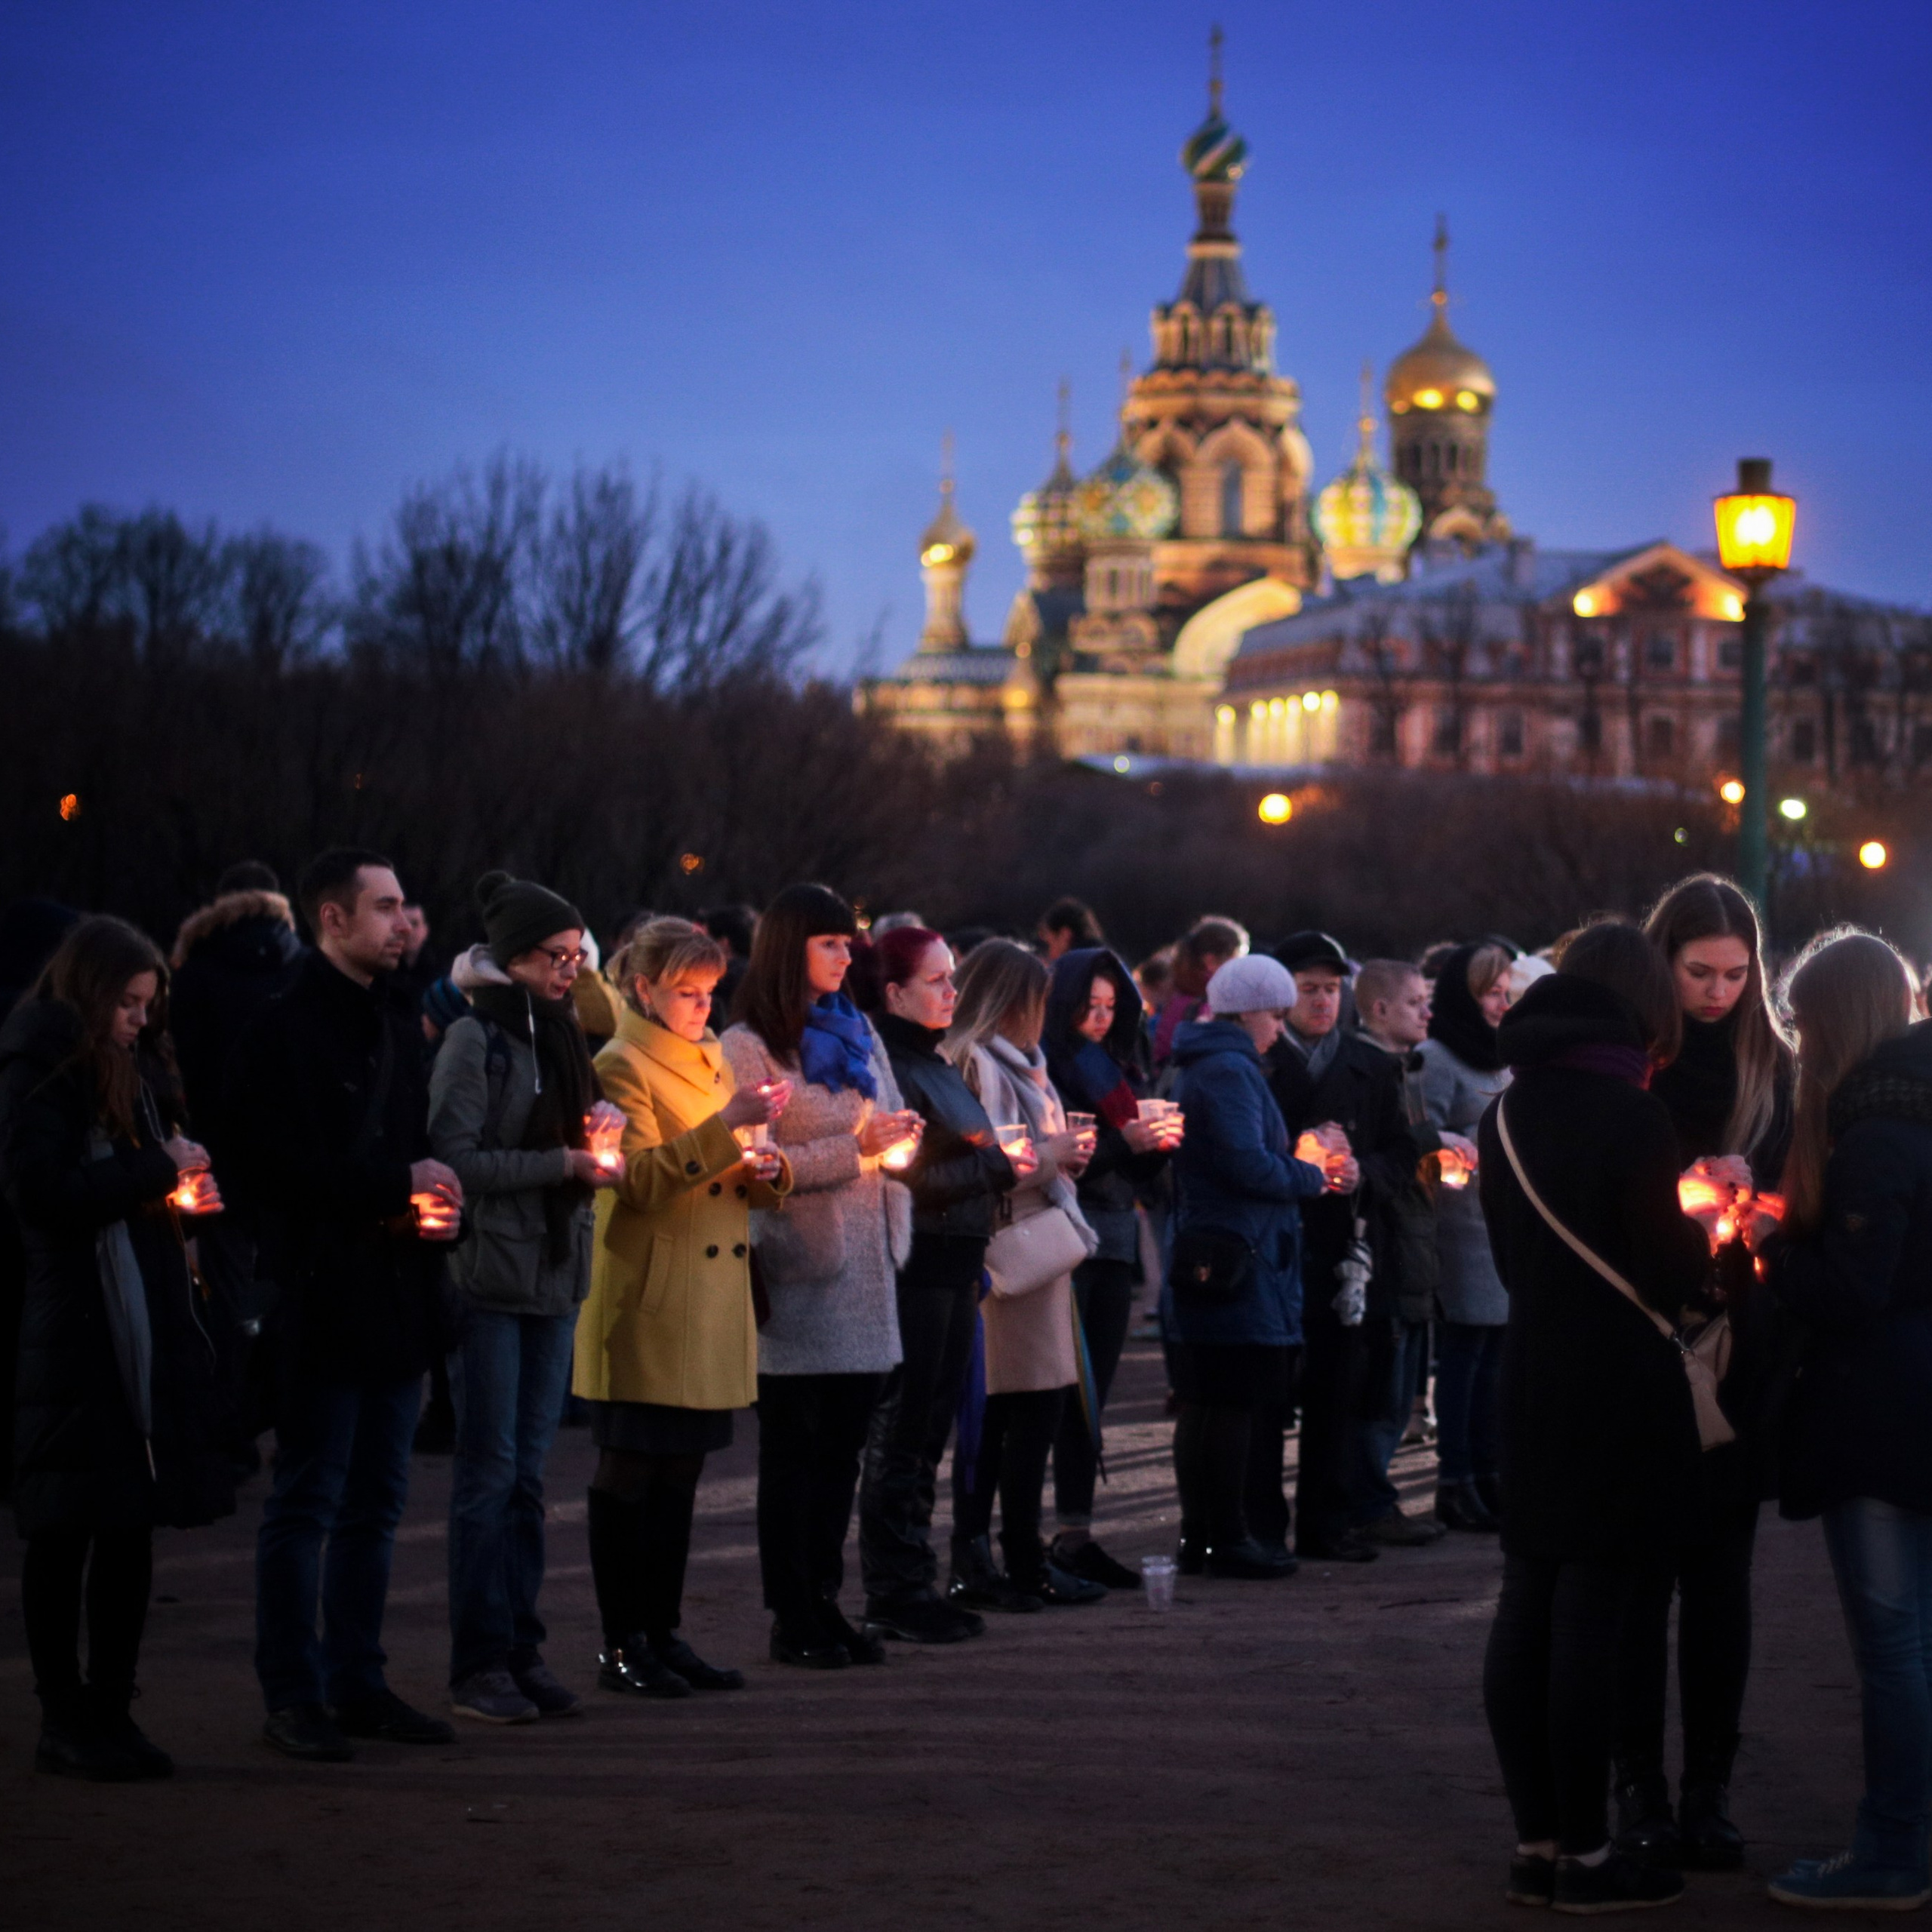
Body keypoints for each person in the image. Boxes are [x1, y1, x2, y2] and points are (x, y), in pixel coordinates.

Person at [1478, 921, 1712, 1914]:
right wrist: (1710, 1232)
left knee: (1527, 1607)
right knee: (1595, 1622)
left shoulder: (1506, 1111)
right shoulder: (1631, 1115)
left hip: (1529, 1372)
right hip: (1620, 1385)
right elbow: (1672, 1272)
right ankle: (1587, 1852)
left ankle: (1537, 1842)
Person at [229, 848, 465, 1762]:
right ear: (332, 918)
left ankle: (357, 1680)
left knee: (377, 1502)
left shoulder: (396, 1018)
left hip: (396, 1296)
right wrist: (395, 1182)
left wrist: (430, 1208)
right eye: (386, 907)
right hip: (322, 1297)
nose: (405, 922)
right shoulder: (282, 1026)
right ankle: (293, 1692)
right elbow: (270, 1171)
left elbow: (409, 1145)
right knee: (309, 1499)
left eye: (405, 905)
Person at [1, 916, 235, 1780]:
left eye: (148, 1005)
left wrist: (180, 1187)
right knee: (67, 1529)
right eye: (130, 1004)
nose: (141, 1019)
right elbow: (41, 1193)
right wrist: (156, 1169)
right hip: (77, 1325)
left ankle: (112, 1706)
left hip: (139, 1311)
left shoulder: (129, 1069)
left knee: (131, 1524)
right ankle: (64, 1716)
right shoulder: (42, 1066)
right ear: (93, 993)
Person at [1612, 876, 1796, 1867]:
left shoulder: (1776, 1064)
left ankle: (1709, 1788)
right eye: (1699, 973)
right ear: (1662, 962)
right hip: (1644, 1343)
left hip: (1740, 1344)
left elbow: (1801, 1198)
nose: (1720, 991)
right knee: (1644, 1578)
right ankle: (1637, 1780)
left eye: (1737, 973)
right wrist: (1685, 1191)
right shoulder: (1633, 1064)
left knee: (1721, 1582)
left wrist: (1763, 1208)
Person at [1760, 931, 1932, 1911]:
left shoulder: (1873, 1134)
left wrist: (1774, 1248)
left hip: (1880, 1408)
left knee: (1893, 1652)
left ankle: (1893, 1848)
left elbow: (1852, 1292)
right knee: (1919, 1644)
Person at [573, 918, 788, 1698]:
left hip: (709, 1292)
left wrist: (768, 1164)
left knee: (682, 1473)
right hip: (651, 1291)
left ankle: (662, 1632)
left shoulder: (712, 1060)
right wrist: (727, 1132)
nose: (702, 1008)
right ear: (642, 987)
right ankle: (621, 1641)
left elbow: (729, 1167)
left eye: (707, 993)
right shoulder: (620, 1061)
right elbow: (634, 1180)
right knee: (630, 1468)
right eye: (685, 993)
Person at [428, 872, 618, 1724]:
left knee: (530, 1478)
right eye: (556, 955)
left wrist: (599, 1137)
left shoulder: (568, 1035)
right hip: (489, 1278)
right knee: (488, 1474)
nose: (570, 970)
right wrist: (562, 1165)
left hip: (554, 1274)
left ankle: (523, 1647)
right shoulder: (477, 1039)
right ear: (513, 958)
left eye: (578, 956)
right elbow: (455, 1159)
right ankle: (478, 1662)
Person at [721, 883, 918, 1670]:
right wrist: (860, 1151)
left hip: (865, 1264)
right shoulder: (747, 1043)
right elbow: (756, 1166)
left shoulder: (857, 1025)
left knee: (842, 1450)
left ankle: (827, 1602)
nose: (847, 955)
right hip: (798, 1265)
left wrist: (898, 1134)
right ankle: (790, 1610)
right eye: (830, 943)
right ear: (789, 946)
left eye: (849, 942)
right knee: (793, 1451)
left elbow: (885, 1116)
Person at [859, 925, 1026, 1641]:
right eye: (937, 980)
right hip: (917, 1262)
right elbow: (905, 1171)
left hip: (958, 1261)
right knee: (905, 1429)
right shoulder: (888, 1065)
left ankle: (912, 1580)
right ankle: (896, 1588)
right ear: (894, 991)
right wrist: (989, 1167)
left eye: (953, 978)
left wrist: (991, 1161)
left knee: (930, 1431)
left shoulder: (935, 1060)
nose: (953, 993)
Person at [946, 941, 1104, 1611]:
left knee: (1033, 1409)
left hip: (1042, 1246)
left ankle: (1015, 1553)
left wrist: (1062, 1160)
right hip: (1009, 1250)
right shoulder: (978, 1062)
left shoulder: (1027, 1064)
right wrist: (1051, 1156)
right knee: (1009, 1414)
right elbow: (987, 1160)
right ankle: (997, 1557)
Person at [1266, 931, 1429, 1561]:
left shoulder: (1368, 1065)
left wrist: (1365, 1171)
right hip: (1279, 1241)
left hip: (1348, 1248)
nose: (1324, 1002)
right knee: (1272, 1394)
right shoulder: (1263, 1062)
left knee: (1338, 1391)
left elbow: (1400, 1148)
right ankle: (1259, 1523)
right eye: (1310, 990)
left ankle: (1326, 1522)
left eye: (1332, 990)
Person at [1164, 953, 1327, 1579]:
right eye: (1277, 1015)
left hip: (1218, 1249)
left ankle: (1201, 1536)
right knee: (1229, 1400)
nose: (1280, 1029)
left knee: (1208, 1400)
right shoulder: (1230, 1069)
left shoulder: (1208, 1063)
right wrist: (1312, 1176)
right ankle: (1225, 1537)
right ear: (1250, 1012)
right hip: (1238, 1256)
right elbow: (1246, 1163)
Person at [167, 869, 305, 1473]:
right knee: (291, 1295)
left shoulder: (194, 973)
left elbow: (181, 1073)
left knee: (222, 1298)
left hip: (216, 1158)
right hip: (292, 1162)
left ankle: (226, 1431)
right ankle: (289, 1422)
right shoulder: (302, 971)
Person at [1044, 946, 1173, 1588]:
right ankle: (1045, 1537)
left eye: (1110, 1007)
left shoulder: (1119, 1067)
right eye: (1088, 1006)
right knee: (1061, 1391)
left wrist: (1156, 1146)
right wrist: (1125, 1144)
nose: (1098, 1018)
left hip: (1116, 1232)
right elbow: (1064, 1160)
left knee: (1096, 1391)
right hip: (1068, 1235)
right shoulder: (1051, 1064)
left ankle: (1076, 1531)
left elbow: (1129, 1164)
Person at [1352, 959, 1451, 1546]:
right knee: (1383, 1395)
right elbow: (1380, 1164)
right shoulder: (1369, 1074)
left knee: (1398, 1385)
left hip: (1411, 1249)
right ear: (1381, 1009)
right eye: (1415, 1002)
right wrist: (1434, 1143)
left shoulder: (1402, 1070)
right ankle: (1368, 1502)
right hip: (1387, 1255)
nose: (1427, 1012)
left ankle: (1372, 1498)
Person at [1420, 942, 1515, 1532]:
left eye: (1508, 991)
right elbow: (1417, 1141)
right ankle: (1455, 1479)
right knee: (1463, 1358)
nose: (1503, 1003)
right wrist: (1452, 1146)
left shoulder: (1503, 1056)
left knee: (1494, 1361)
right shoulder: (1435, 1057)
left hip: (1499, 1226)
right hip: (1457, 1228)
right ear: (1465, 993)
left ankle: (1488, 1473)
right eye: (1491, 992)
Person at [1152, 917, 1249, 1070]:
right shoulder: (1207, 1006)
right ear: (1211, 962)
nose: (1241, 970)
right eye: (1237, 961)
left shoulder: (1177, 995)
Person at [702, 904, 758, 1023]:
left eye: (706, 939)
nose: (701, 946)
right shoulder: (762, 972)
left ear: (724, 943)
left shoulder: (723, 982)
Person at [1037, 897, 1105, 962]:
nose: (1049, 955)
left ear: (1065, 935)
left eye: (1049, 944)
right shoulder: (1106, 959)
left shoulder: (1079, 968)